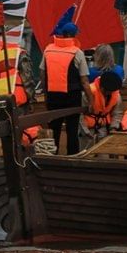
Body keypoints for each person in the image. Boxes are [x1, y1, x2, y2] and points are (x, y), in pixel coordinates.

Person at [41, 14, 87, 153]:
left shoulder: (48, 49)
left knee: (54, 128)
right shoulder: (77, 53)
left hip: (53, 96)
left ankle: (52, 156)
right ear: (73, 36)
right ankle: (72, 158)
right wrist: (90, 100)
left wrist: (46, 93)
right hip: (72, 97)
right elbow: (84, 81)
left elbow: (42, 73)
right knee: (72, 130)